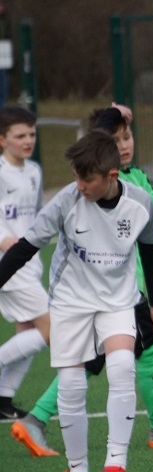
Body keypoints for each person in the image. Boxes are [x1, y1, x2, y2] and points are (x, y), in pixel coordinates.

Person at [10, 104, 153, 457]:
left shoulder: (137, 182)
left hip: (124, 294)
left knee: (102, 359)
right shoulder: (93, 185)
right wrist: (111, 114)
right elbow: (29, 244)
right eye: (116, 140)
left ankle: (39, 420)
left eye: (127, 137)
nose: (124, 145)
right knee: (133, 355)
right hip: (119, 296)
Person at [0, 130, 153, 472]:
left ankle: (115, 469)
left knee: (122, 365)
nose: (79, 185)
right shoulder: (67, 200)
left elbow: (150, 252)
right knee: (72, 385)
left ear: (111, 176)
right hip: (70, 301)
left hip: (117, 300)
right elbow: (25, 247)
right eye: (75, 177)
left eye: (86, 179)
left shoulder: (140, 203)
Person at [0, 107, 50, 420]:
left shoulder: (33, 171)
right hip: (8, 266)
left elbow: (37, 215)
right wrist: (3, 238)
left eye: (31, 134)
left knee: (28, 333)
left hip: (30, 264)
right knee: (52, 330)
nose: (28, 140)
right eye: (20, 136)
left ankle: (3, 399)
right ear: (2, 139)